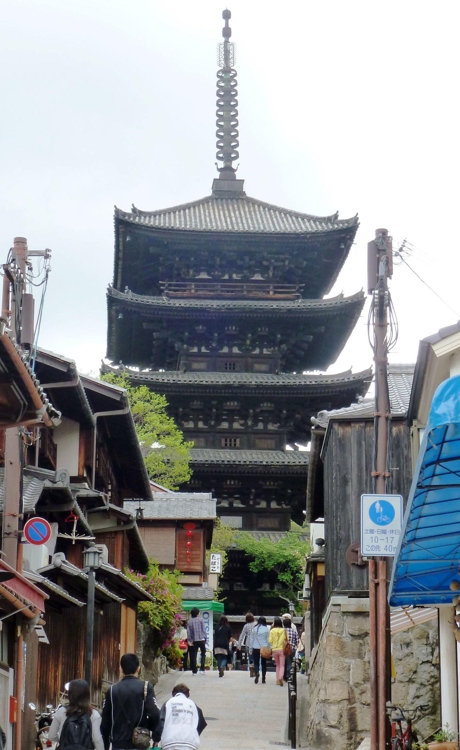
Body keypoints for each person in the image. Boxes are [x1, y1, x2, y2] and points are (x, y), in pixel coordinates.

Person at [101, 652, 160, 750]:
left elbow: (105, 721)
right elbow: (155, 714)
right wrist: (153, 733)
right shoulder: (145, 687)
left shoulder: (112, 690)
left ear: (121, 669)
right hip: (139, 742)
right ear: (138, 669)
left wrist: (106, 745)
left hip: (118, 743)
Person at [48, 679, 104, 750]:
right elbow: (97, 739)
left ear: (70, 694)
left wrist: (64, 742)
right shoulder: (93, 714)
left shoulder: (62, 711)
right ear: (87, 695)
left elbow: (51, 736)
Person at [158, 683, 207, 750]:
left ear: (173, 694)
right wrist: (193, 733)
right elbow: (201, 723)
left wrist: (157, 738)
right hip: (190, 743)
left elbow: (160, 723)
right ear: (187, 694)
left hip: (169, 742)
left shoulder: (168, 703)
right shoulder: (193, 705)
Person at [248, 615, 270, 684]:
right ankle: (263, 678)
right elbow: (268, 640)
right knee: (264, 663)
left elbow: (251, 640)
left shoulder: (254, 629)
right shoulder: (267, 629)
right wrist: (269, 648)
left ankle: (257, 672)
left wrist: (250, 649)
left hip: (255, 647)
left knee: (256, 662)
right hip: (264, 648)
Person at [187, 608, 207, 676]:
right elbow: (203, 630)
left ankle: (194, 671)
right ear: (198, 613)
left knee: (193, 655)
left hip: (194, 641)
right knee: (203, 654)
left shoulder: (189, 621)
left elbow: (188, 632)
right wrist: (205, 638)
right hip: (201, 640)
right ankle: (202, 669)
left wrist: (190, 640)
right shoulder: (201, 620)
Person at [269, 616, 287, 686]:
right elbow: (286, 638)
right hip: (282, 649)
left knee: (277, 665)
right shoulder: (284, 630)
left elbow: (270, 641)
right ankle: (280, 677)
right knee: (282, 665)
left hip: (274, 649)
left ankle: (277, 680)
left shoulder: (272, 631)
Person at [237, 612, 256, 677]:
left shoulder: (246, 626)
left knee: (250, 657)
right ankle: (255, 670)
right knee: (256, 657)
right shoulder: (256, 624)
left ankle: (250, 667)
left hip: (248, 643)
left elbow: (242, 635)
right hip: (256, 643)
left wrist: (239, 645)